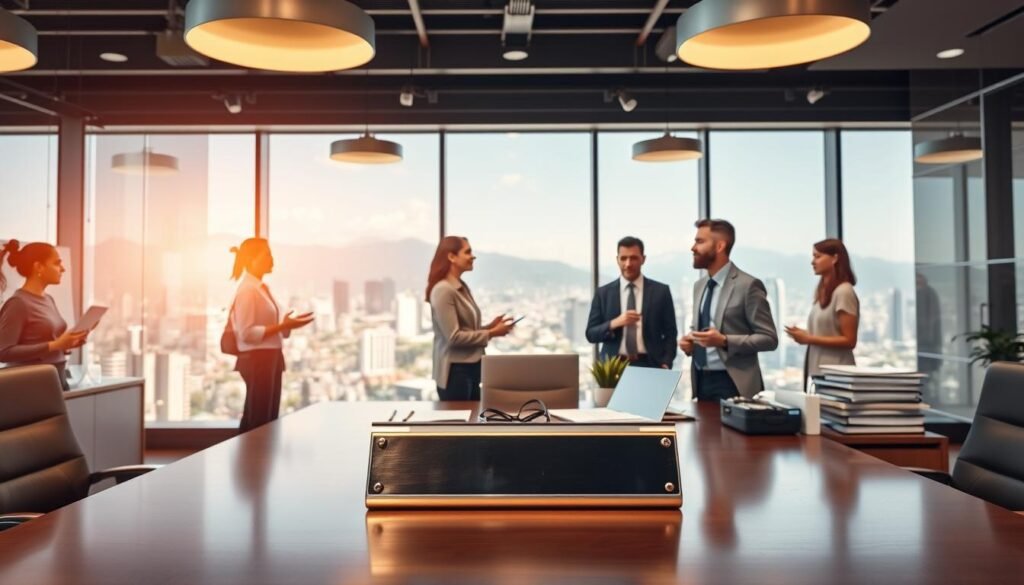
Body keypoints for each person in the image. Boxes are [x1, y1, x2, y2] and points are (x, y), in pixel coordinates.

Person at [679, 219, 777, 401]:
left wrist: (724, 340)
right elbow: (702, 332)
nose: (693, 248)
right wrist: (691, 344)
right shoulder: (699, 286)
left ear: (719, 246)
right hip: (700, 381)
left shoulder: (748, 285)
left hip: (733, 383)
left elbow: (769, 339)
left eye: (700, 241)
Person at [229, 238, 313, 432]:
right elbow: (246, 333)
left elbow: (272, 327)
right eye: (267, 255)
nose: (272, 259)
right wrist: (281, 326)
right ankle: (252, 458)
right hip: (259, 359)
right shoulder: (247, 290)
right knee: (259, 417)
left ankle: (258, 458)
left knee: (267, 416)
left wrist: (286, 325)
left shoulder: (261, 288)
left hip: (270, 356)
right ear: (252, 260)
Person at [427, 236, 514, 401]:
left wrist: (490, 327)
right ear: (451, 257)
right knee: (462, 424)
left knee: (474, 421)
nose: (473, 256)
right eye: (467, 252)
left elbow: (467, 330)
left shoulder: (461, 287)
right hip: (456, 373)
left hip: (471, 369)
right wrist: (492, 333)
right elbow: (454, 337)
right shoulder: (443, 290)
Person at [0, 240, 88, 391]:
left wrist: (68, 344)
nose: (63, 269)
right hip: (33, 385)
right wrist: (56, 345)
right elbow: (3, 352)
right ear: (38, 266)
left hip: (57, 377)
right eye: (57, 263)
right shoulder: (18, 303)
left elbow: (48, 343)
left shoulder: (49, 299)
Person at [586, 236, 677, 369]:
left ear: (643, 259)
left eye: (633, 258)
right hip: (613, 367)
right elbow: (591, 334)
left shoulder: (661, 292)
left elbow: (671, 333)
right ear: (617, 260)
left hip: (650, 365)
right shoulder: (603, 293)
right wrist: (615, 323)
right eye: (623, 258)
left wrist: (666, 362)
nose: (628, 264)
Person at [784, 238, 859, 386]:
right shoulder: (822, 293)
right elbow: (827, 333)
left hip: (837, 375)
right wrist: (805, 334)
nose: (812, 262)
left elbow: (850, 340)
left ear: (835, 258)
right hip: (819, 373)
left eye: (818, 256)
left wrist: (809, 338)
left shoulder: (844, 292)